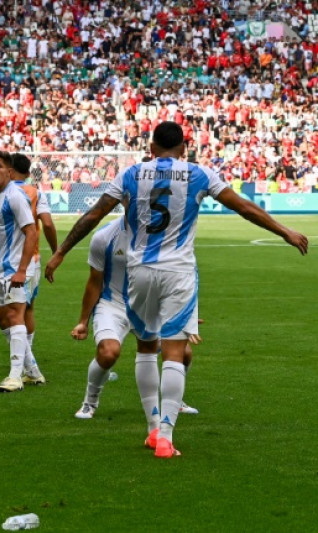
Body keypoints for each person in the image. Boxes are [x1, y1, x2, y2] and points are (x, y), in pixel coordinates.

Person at [45, 121, 309, 458]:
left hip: (140, 271)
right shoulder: (200, 174)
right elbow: (243, 207)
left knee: (145, 349)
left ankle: (152, 429)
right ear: (184, 148)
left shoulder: (131, 174)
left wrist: (61, 251)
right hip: (178, 272)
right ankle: (166, 438)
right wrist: (284, 231)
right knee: (174, 352)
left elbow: (94, 215)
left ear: (151, 148)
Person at [71, 217, 199, 419]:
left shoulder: (164, 235)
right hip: (113, 304)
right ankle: (89, 402)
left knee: (184, 353)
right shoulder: (104, 237)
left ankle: (175, 400)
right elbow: (94, 281)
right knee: (108, 352)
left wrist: (182, 312)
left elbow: (177, 276)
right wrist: (83, 321)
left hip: (149, 306)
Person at [0, 153, 59, 385]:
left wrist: (22, 269)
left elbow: (31, 232)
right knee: (5, 319)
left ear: (9, 171)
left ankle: (15, 376)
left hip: (20, 265)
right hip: (3, 265)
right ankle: (32, 370)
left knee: (16, 314)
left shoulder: (17, 196)